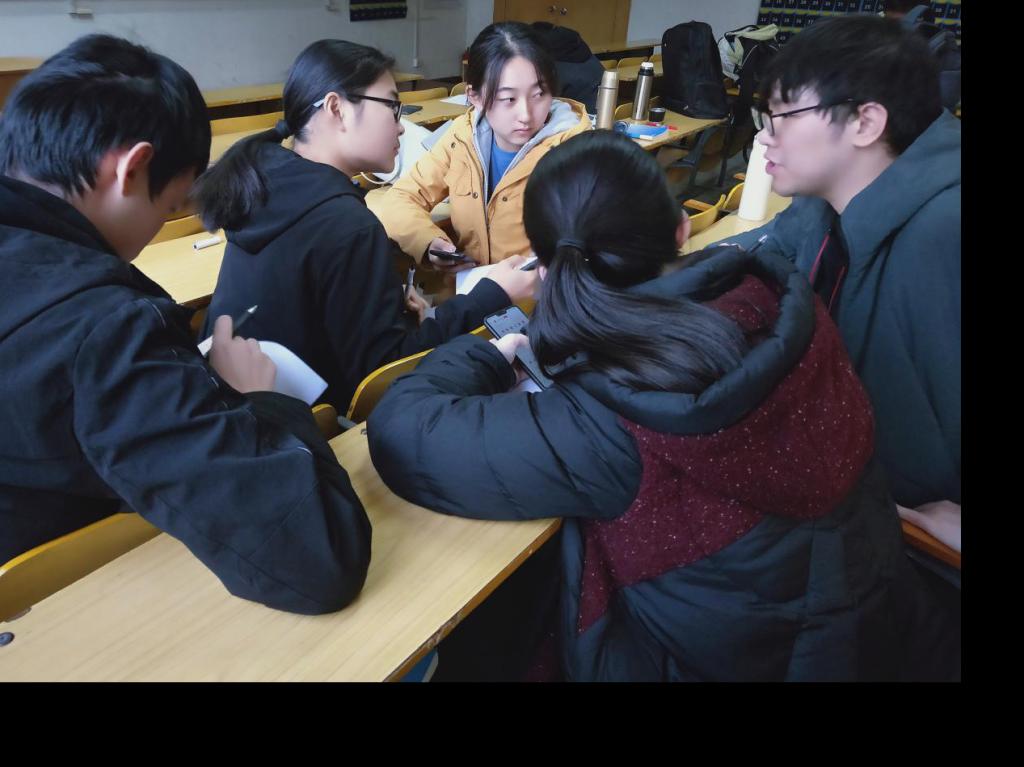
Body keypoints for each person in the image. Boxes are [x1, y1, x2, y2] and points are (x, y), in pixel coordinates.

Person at [367, 130, 958, 681]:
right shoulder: (783, 305)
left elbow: (400, 428)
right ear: (681, 230)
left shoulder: (610, 419)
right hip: (874, 623)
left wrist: (493, 356)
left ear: (544, 268)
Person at [0, 35, 371, 615]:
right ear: (131, 169)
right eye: (171, 206)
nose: (157, 228)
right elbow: (320, 559)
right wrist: (254, 400)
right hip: (62, 610)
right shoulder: (108, 333)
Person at [195, 39, 534, 410]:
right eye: (392, 106)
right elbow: (382, 374)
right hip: (311, 421)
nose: (401, 127)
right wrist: (491, 294)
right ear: (336, 108)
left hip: (238, 403)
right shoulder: (347, 223)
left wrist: (384, 302)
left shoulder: (266, 183)